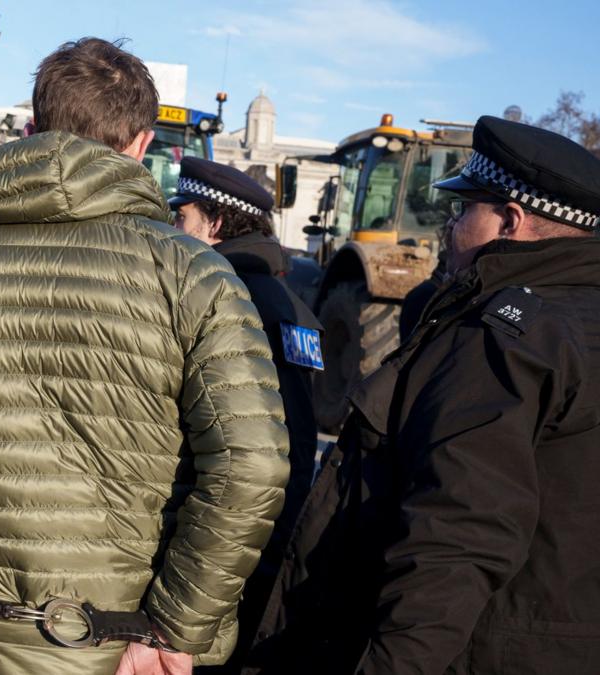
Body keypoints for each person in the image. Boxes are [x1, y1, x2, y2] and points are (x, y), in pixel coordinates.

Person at [0, 37, 290, 675]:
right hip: (121, 645)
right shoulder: (195, 276)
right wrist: (173, 630)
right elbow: (251, 467)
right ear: (142, 144)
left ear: (35, 130)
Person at [256, 116, 600, 674]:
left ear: (509, 222)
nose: (449, 225)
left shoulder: (504, 340)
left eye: (464, 209)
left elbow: (457, 538)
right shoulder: (576, 321)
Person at [169, 157, 321, 674]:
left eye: (182, 217)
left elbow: (274, 449)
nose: (174, 229)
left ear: (213, 224)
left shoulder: (232, 298)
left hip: (218, 552)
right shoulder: (291, 304)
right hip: (254, 546)